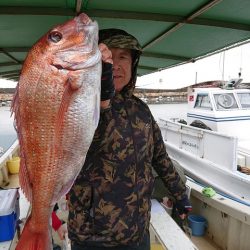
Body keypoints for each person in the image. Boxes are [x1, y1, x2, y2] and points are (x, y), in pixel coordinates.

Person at [67, 29, 191, 250]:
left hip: (137, 233)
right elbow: (82, 144)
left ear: (133, 64)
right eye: (108, 57)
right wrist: (103, 100)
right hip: (93, 240)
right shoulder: (79, 106)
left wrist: (181, 195)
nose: (115, 64)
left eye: (123, 56)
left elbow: (160, 158)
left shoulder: (141, 109)